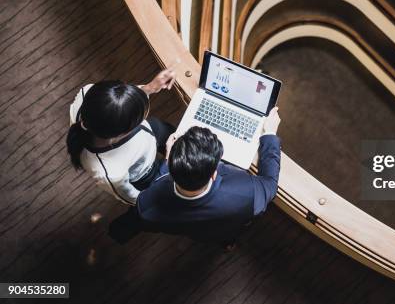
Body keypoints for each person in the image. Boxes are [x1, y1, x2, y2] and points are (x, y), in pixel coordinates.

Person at [135, 107, 281, 244]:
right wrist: (270, 134)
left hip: (198, 234)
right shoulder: (246, 194)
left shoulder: (147, 206)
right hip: (226, 229)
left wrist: (168, 161)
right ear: (213, 175)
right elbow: (270, 184)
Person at [66, 70, 177, 205]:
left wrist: (149, 88)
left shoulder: (87, 92)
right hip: (145, 173)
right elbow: (139, 200)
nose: (144, 116)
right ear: (120, 134)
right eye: (140, 118)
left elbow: (118, 103)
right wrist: (166, 162)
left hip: (151, 132)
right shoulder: (111, 173)